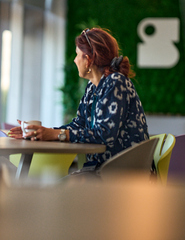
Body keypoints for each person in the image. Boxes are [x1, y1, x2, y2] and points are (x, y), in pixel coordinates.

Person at [9, 27, 149, 172]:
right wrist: (42, 133)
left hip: (124, 174)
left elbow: (104, 135)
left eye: (77, 55)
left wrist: (55, 134)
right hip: (101, 170)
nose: (75, 60)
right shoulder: (93, 86)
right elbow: (79, 125)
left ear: (88, 60)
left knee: (57, 190)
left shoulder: (115, 82)